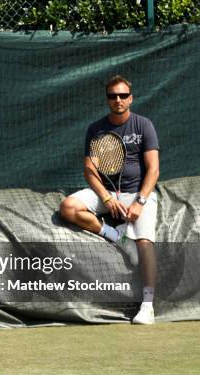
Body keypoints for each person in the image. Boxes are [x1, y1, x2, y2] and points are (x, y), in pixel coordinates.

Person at [59, 75, 160, 325]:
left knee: (145, 242)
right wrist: (106, 197)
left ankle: (147, 305)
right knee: (67, 207)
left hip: (138, 194)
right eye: (113, 96)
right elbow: (89, 170)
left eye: (123, 95)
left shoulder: (144, 125)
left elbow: (154, 169)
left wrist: (140, 202)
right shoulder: (96, 129)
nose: (118, 99)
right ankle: (115, 236)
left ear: (131, 98)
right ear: (107, 100)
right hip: (105, 193)